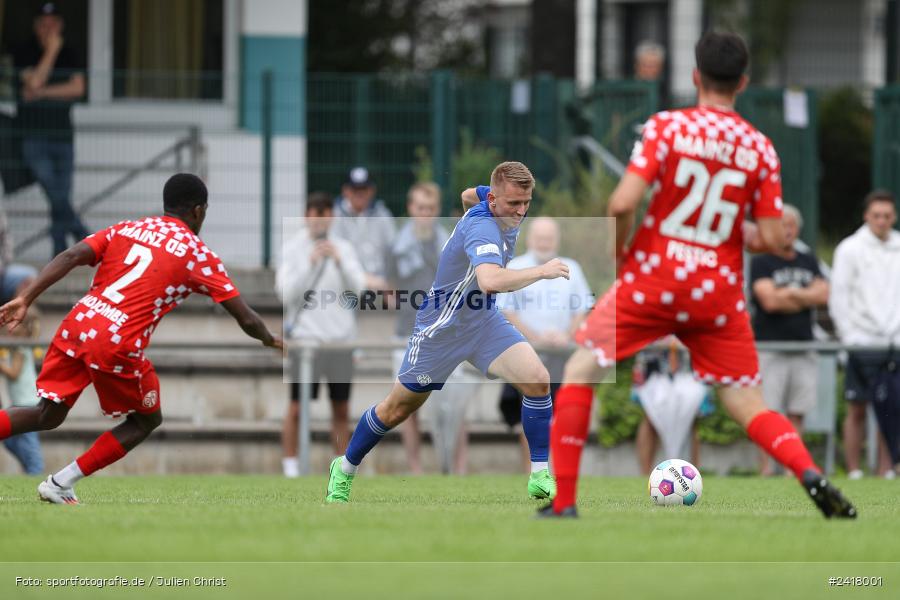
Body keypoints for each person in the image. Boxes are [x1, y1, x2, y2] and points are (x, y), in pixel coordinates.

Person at [543, 31, 856, 519]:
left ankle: (561, 505)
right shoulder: (760, 147)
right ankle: (808, 472)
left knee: (582, 369)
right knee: (748, 403)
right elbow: (774, 237)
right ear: (743, 83)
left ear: (695, 77)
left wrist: (621, 253)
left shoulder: (667, 127)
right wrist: (737, 231)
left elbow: (622, 201)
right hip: (717, 294)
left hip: (654, 277)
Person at [0, 173, 282, 504]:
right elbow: (246, 317)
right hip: (115, 341)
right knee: (147, 419)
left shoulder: (128, 228)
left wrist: (27, 297)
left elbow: (70, 256)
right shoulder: (197, 254)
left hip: (78, 324)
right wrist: (272, 340)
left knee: (47, 414)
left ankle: (59, 484)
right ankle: (61, 483)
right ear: (198, 211)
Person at [325, 161, 570, 502]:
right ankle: (346, 467)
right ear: (496, 201)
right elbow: (490, 280)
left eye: (526, 202)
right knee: (397, 409)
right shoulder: (483, 228)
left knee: (537, 379)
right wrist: (541, 270)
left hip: (482, 322)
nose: (521, 210)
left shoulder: (493, 199)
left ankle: (540, 474)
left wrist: (483, 198)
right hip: (441, 329)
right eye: (514, 204)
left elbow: (467, 194)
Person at [277, 191, 366, 477]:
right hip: (305, 343)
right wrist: (310, 264)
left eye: (325, 212)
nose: (320, 219)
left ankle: (340, 467)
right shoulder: (292, 249)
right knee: (296, 408)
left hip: (340, 343)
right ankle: (290, 467)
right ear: (306, 217)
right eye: (315, 213)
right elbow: (286, 294)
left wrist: (340, 261)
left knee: (341, 409)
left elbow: (360, 289)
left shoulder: (345, 248)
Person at [385, 182, 471, 475]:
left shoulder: (450, 244)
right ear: (411, 209)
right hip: (406, 334)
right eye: (420, 208)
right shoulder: (396, 247)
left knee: (456, 406)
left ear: (436, 211)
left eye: (430, 209)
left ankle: (458, 468)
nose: (425, 214)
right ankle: (416, 468)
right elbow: (390, 289)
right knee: (405, 406)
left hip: (446, 334)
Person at [496, 216, 592, 472]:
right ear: (529, 238)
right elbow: (507, 311)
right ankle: (533, 471)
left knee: (560, 416)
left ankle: (559, 470)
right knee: (529, 417)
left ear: (557, 240)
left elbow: (581, 308)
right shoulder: (515, 267)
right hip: (525, 354)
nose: (544, 243)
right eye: (539, 237)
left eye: (549, 238)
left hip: (563, 355)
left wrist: (567, 337)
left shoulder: (572, 267)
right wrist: (536, 339)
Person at [750, 204, 829, 476]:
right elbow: (769, 301)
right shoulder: (761, 261)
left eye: (791, 224)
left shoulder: (808, 260)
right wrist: (803, 294)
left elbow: (823, 296)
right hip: (770, 348)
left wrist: (789, 294)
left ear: (797, 229)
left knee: (798, 413)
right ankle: (766, 470)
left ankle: (793, 470)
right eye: (781, 224)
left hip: (803, 347)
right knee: (767, 413)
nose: (786, 230)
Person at [830, 190, 900, 479]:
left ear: (893, 216)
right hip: (861, 342)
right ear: (866, 216)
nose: (882, 221)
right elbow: (839, 296)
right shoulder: (849, 249)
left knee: (891, 407)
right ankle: (854, 470)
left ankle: (886, 470)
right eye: (876, 216)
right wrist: (849, 337)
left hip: (894, 343)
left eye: (887, 216)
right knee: (857, 406)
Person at [12, 2, 89, 256]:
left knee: (60, 194)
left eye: (53, 23)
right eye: (44, 24)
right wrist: (51, 52)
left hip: (63, 136)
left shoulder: (71, 53)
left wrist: (42, 92)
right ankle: (83, 235)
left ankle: (59, 249)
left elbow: (77, 89)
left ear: (61, 25)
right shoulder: (24, 51)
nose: (49, 28)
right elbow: (32, 80)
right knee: (54, 191)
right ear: (36, 26)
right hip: (33, 135)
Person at [331, 166, 397, 291]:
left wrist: (390, 281)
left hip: (380, 286)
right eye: (355, 189)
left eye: (364, 189)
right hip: (346, 287)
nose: (360, 193)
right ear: (345, 191)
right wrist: (363, 279)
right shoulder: (335, 216)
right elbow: (337, 255)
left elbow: (392, 250)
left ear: (372, 190)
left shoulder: (383, 214)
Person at [0, 309, 43, 475]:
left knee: (29, 442)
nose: (9, 327)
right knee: (9, 440)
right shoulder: (13, 348)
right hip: (19, 402)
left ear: (25, 329)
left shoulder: (21, 349)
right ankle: (30, 468)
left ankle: (35, 470)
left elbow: (14, 373)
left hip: (28, 404)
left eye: (14, 324)